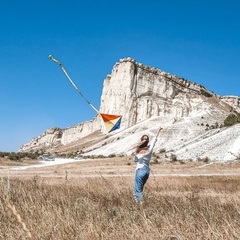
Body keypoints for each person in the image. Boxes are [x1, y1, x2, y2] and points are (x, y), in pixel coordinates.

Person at [133, 127, 163, 203]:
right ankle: (137, 203)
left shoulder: (138, 151)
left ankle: (141, 205)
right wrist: (158, 130)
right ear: (148, 141)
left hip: (140, 171)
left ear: (141, 140)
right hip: (146, 171)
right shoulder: (150, 149)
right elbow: (154, 140)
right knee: (140, 189)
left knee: (137, 190)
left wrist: (137, 147)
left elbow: (135, 160)